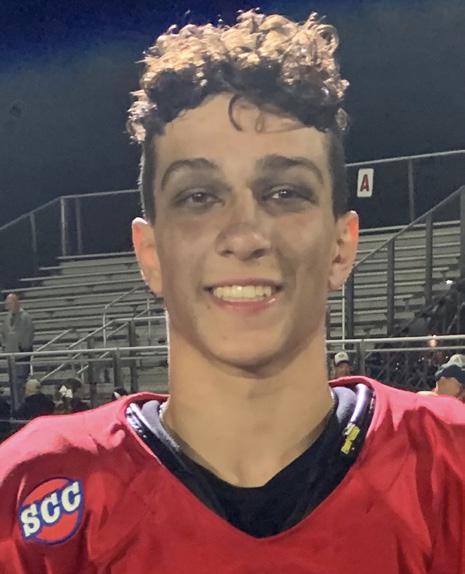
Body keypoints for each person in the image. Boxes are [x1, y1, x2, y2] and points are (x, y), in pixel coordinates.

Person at [0, 10, 464, 574]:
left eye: (285, 192)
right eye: (198, 197)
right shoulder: (32, 487)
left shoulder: (448, 467)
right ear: (150, 254)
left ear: (341, 247)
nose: (244, 236)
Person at [0, 293, 34, 405]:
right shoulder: (8, 318)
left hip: (21, 355)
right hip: (11, 356)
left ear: (16, 303)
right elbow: (4, 333)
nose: (8, 306)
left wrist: (22, 348)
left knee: (20, 382)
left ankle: (21, 406)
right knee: (13, 383)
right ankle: (16, 406)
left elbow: (28, 336)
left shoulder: (25, 317)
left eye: (10, 303)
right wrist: (5, 347)